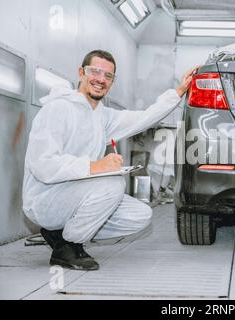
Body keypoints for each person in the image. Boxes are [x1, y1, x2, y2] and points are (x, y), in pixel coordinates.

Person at [22, 50, 197, 271]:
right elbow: (42, 164)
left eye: (108, 76)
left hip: (75, 197)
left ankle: (60, 233)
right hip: (45, 199)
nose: (100, 79)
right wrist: (95, 166)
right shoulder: (58, 109)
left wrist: (179, 91)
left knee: (141, 215)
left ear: (112, 82)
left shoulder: (102, 116)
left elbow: (144, 117)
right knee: (114, 182)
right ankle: (67, 245)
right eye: (95, 71)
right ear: (81, 73)